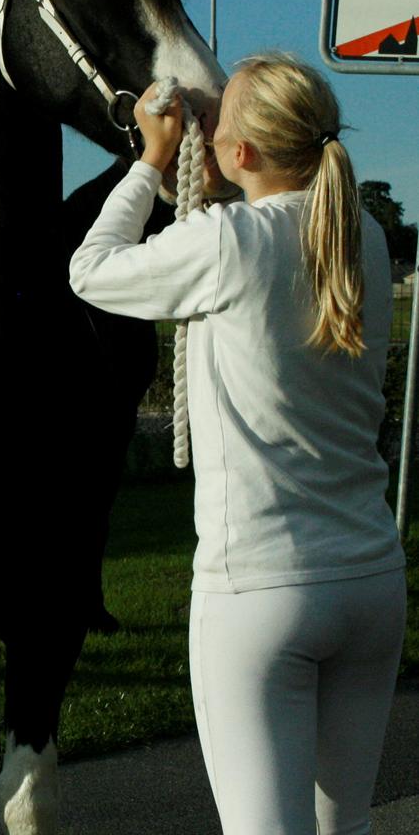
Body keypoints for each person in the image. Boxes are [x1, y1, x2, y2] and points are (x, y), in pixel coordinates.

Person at [68, 52, 406, 835]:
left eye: (214, 125)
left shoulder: (230, 241)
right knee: (345, 828)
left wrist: (151, 159)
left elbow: (91, 270)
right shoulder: (366, 236)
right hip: (371, 583)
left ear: (241, 154)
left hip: (260, 591)